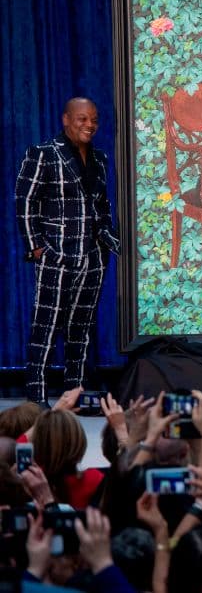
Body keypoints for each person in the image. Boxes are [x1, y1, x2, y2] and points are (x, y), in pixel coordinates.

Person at [15, 97, 120, 407]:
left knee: (81, 328)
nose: (90, 125)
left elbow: (102, 205)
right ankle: (36, 397)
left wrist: (108, 240)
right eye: (82, 119)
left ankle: (74, 393)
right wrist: (36, 247)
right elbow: (25, 201)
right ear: (66, 119)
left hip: (93, 257)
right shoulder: (43, 153)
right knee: (46, 326)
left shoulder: (99, 158)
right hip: (56, 256)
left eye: (94, 120)